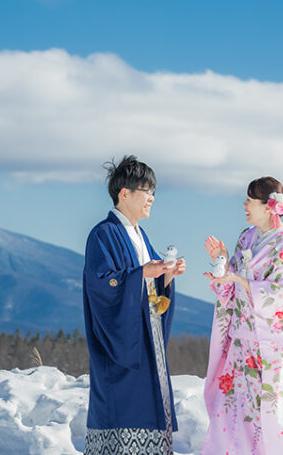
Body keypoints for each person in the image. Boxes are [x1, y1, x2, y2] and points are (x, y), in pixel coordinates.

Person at [200, 177, 283, 455]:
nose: (244, 205)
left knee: (271, 415)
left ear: (269, 206)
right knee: (233, 412)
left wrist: (244, 282)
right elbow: (233, 283)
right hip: (241, 341)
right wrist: (224, 262)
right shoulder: (245, 238)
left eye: (250, 200)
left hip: (271, 344)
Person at [82, 155, 186, 455]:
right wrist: (142, 273)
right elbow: (101, 287)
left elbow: (150, 289)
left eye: (154, 192)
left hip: (146, 342)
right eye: (146, 192)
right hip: (120, 345)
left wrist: (166, 275)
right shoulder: (103, 234)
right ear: (124, 194)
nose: (152, 198)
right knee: (122, 411)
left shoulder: (141, 236)